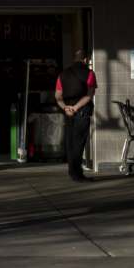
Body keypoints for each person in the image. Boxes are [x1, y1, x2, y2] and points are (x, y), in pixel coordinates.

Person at [55, 50, 97, 181]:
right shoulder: (90, 74)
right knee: (79, 143)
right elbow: (89, 95)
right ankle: (77, 175)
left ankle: (72, 172)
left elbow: (58, 96)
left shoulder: (62, 75)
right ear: (85, 60)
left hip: (68, 113)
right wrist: (76, 108)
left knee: (70, 143)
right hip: (82, 112)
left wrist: (66, 108)